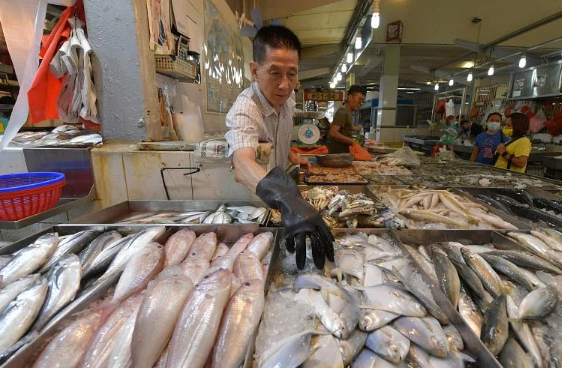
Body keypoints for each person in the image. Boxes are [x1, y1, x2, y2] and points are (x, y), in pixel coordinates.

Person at [225, 25, 333, 270]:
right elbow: (242, 165)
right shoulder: (245, 110)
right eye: (275, 73)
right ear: (255, 70)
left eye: (292, 74)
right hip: (258, 205)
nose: (285, 85)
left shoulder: (289, 98)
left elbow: (280, 139)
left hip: (283, 193)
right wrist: (287, 200)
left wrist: (294, 157)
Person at [327, 85, 366, 153]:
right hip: (338, 154)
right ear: (350, 97)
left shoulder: (347, 112)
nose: (361, 103)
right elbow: (333, 133)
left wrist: (357, 128)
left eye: (363, 101)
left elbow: (346, 127)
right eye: (359, 99)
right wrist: (353, 142)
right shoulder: (342, 112)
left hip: (343, 153)